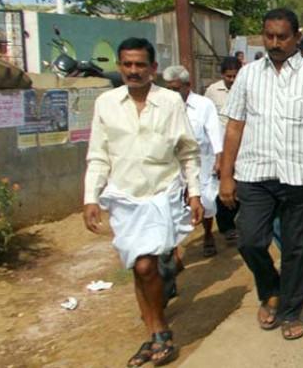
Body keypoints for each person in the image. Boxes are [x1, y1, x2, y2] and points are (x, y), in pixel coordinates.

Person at [219, 8, 303, 341]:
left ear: (296, 36)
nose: (274, 42)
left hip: (300, 176)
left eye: (282, 36)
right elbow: (234, 126)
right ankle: (270, 288)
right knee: (249, 239)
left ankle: (289, 311)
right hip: (255, 173)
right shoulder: (247, 76)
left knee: (295, 248)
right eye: (269, 35)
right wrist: (226, 176)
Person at [82, 37, 202, 367]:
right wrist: (90, 197)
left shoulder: (170, 102)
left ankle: (158, 330)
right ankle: (155, 333)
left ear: (153, 68)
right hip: (123, 197)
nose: (133, 71)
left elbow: (188, 151)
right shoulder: (106, 104)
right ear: (119, 66)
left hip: (161, 195)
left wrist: (194, 194)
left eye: (140, 65)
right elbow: (98, 156)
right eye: (127, 65)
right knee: (140, 266)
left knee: (148, 266)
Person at [164, 65, 223, 257]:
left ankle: (207, 234)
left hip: (201, 161)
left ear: (187, 85)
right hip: (173, 163)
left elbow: (214, 132)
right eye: (169, 88)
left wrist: (219, 158)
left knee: (205, 200)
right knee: (171, 203)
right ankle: (173, 250)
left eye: (176, 88)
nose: (172, 93)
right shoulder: (162, 105)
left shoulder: (204, 105)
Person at [205, 56, 242, 242]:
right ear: (222, 75)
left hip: (243, 144)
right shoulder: (212, 91)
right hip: (221, 146)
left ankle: (240, 221)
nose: (232, 80)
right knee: (224, 183)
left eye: (236, 75)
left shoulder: (246, 88)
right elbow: (207, 117)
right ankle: (226, 226)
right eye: (229, 76)